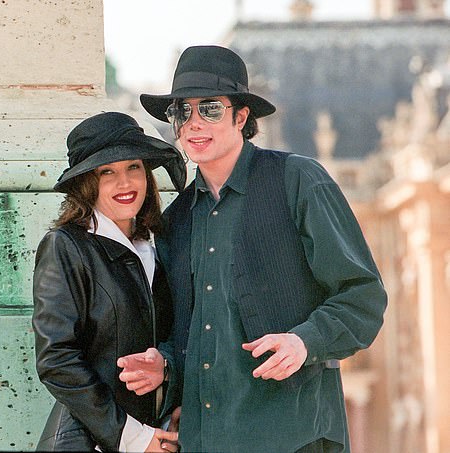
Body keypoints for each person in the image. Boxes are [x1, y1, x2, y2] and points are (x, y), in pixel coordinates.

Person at [117, 45, 388, 452]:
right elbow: (190, 332)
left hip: (294, 437)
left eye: (209, 109)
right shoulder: (176, 220)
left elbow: (363, 297)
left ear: (241, 117)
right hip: (205, 439)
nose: (193, 124)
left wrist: (304, 341)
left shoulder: (298, 180)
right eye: (181, 112)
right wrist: (166, 364)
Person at [32, 112, 186, 452]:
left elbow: (178, 336)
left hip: (162, 436)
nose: (125, 183)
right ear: (87, 182)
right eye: (107, 172)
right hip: (94, 442)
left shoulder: (158, 246)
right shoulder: (66, 246)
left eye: (133, 167)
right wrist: (132, 438)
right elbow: (56, 360)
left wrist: (169, 379)